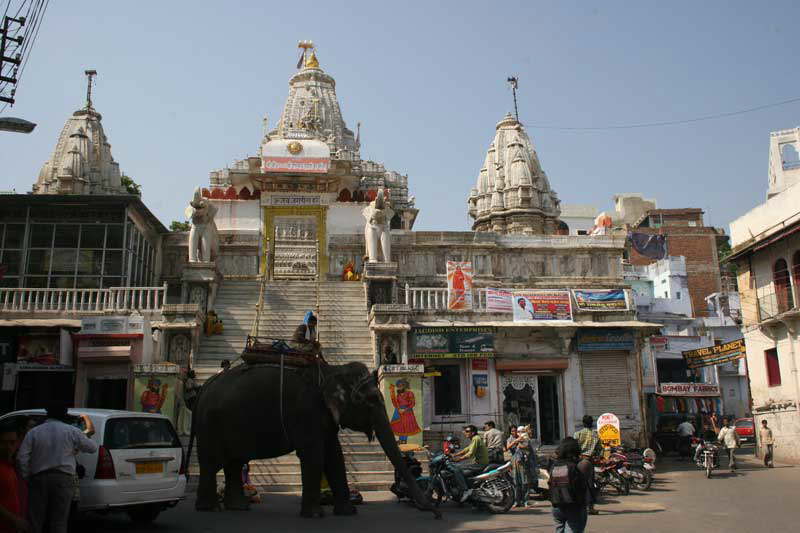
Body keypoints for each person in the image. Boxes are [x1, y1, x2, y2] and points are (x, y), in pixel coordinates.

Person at [16, 405, 98, 533]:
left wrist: (27, 476)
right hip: (63, 479)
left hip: (39, 477)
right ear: (63, 416)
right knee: (59, 521)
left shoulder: (34, 432)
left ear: (48, 415)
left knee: (35, 520)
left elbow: (22, 457)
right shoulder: (71, 431)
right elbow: (92, 448)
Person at [549, 437, 589, 533]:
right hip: (573, 506)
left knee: (559, 530)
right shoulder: (578, 465)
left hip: (556, 505)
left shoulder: (555, 465)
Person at [448, 425, 489, 502]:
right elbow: (467, 449)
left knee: (457, 469)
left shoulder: (476, 438)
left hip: (479, 464)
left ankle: (465, 490)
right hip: (478, 463)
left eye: (467, 431)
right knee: (461, 469)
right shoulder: (475, 439)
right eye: (465, 431)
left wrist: (458, 459)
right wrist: (455, 455)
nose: (465, 433)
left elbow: (470, 453)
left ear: (473, 432)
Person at [1, 422, 29, 533]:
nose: (8, 447)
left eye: (12, 443)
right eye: (3, 443)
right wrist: (14, 519)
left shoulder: (10, 465)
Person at [573, 416, 600, 515]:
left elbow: (574, 447)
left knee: (577, 483)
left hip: (579, 460)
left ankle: (578, 505)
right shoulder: (596, 435)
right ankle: (590, 507)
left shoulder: (578, 434)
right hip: (589, 461)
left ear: (583, 423)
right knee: (590, 484)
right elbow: (599, 449)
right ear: (592, 423)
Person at [508, 426, 531, 508]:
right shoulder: (511, 440)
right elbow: (508, 447)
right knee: (516, 483)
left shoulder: (525, 439)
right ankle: (516, 501)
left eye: (517, 431)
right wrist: (516, 442)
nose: (516, 433)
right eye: (513, 431)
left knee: (524, 482)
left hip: (523, 463)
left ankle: (525, 501)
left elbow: (528, 449)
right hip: (514, 462)